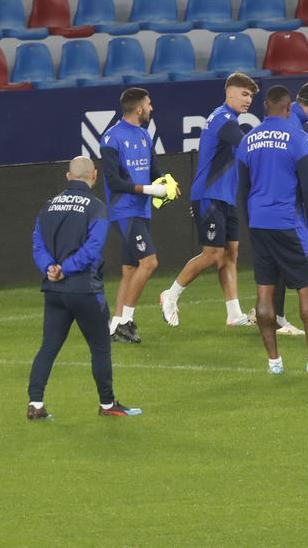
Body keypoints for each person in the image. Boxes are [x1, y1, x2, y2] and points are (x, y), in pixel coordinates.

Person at [236, 85, 308, 375]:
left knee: (264, 293)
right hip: (288, 224)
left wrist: (251, 225)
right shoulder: (298, 137)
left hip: (259, 224)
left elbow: (241, 191)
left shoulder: (248, 141)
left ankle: (274, 363)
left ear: (265, 108)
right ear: (287, 108)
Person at [28, 157, 141, 419]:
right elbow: (92, 250)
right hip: (84, 290)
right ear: (94, 176)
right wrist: (66, 269)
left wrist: (50, 269)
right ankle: (107, 405)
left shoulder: (47, 206)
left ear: (69, 177)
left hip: (54, 291)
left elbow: (37, 245)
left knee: (49, 347)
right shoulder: (97, 207)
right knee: (100, 348)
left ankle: (35, 405)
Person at [159, 73, 257, 330]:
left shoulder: (229, 119)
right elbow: (246, 144)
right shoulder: (223, 119)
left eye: (251, 96)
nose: (249, 100)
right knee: (212, 254)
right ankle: (171, 294)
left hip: (225, 196)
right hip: (209, 195)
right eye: (245, 94)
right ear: (230, 92)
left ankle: (234, 314)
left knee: (230, 254)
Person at [100, 87, 169, 344]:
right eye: (149, 104)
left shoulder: (144, 136)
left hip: (143, 210)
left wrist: (166, 185)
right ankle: (126, 321)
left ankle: (114, 324)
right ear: (139, 108)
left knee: (130, 269)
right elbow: (113, 181)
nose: (151, 109)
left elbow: (154, 171)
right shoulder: (111, 139)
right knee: (149, 262)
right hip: (124, 210)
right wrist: (150, 189)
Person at [267, 81, 308, 336]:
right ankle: (280, 320)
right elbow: (306, 186)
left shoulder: (283, 115)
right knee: (304, 278)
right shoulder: (300, 133)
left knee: (274, 267)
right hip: (288, 210)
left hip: (263, 205)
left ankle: (273, 315)